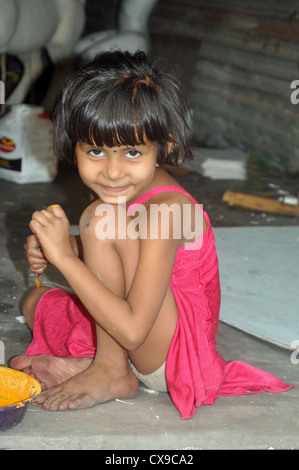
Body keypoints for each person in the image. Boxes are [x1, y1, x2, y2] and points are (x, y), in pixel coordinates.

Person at [10, 50, 294, 419]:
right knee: (36, 304)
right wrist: (62, 248)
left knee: (99, 219)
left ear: (165, 145)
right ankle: (99, 363)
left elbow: (131, 331)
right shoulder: (124, 190)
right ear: (72, 145)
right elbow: (115, 256)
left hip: (170, 357)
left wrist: (65, 258)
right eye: (95, 150)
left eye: (131, 152)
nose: (112, 172)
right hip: (144, 322)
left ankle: (111, 371)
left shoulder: (169, 211)